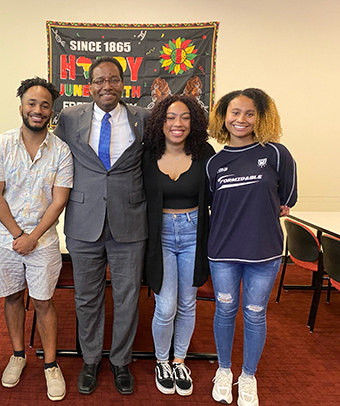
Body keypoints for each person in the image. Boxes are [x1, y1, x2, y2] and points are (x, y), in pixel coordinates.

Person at [54, 56, 150, 395]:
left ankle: (121, 361)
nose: (106, 86)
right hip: (83, 221)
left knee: (127, 298)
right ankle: (91, 359)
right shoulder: (68, 118)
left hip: (131, 220)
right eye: (98, 80)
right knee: (87, 297)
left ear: (123, 83)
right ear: (89, 85)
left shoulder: (144, 118)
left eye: (112, 79)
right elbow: (55, 159)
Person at [206, 88, 297, 406]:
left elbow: (287, 199)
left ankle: (248, 376)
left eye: (249, 113)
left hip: (265, 252)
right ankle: (224, 370)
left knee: (255, 314)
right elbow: (211, 205)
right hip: (222, 253)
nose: (241, 119)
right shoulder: (213, 163)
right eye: (234, 112)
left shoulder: (276, 154)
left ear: (260, 118)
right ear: (223, 116)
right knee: (225, 310)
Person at [0, 77, 73, 401]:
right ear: (21, 106)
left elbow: (59, 200)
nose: (38, 110)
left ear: (52, 111)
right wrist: (18, 235)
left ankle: (51, 364)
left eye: (45, 105)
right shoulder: (2, 144)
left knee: (43, 302)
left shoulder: (61, 150)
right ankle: (18, 355)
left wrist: (32, 237)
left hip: (44, 241)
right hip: (7, 238)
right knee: (12, 298)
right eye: (32, 103)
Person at [142, 95, 215, 397]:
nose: (177, 124)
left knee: (187, 303)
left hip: (193, 232)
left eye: (185, 117)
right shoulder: (147, 154)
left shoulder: (205, 153)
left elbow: (221, 196)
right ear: (160, 121)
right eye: (171, 117)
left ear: (193, 122)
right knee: (166, 304)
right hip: (160, 234)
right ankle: (162, 360)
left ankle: (179, 360)